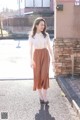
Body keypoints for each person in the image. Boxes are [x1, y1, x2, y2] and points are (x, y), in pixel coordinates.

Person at [29, 17, 53, 105]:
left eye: (44, 25)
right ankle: (40, 96)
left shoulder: (46, 35)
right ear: (36, 25)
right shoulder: (32, 36)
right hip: (36, 56)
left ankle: (45, 96)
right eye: (41, 25)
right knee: (37, 75)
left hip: (45, 55)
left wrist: (53, 58)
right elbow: (30, 50)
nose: (43, 26)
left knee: (44, 75)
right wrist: (31, 60)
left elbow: (50, 47)